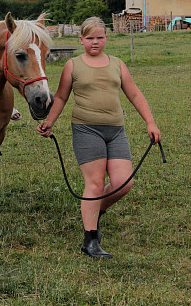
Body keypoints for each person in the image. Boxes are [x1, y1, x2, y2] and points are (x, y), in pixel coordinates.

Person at [37, 16, 161, 259]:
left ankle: (92, 212)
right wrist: (50, 121)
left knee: (123, 182)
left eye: (100, 37)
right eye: (90, 38)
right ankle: (90, 241)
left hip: (116, 130)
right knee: (94, 184)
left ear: (107, 38)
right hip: (86, 129)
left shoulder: (117, 64)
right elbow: (61, 97)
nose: (95, 42)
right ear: (81, 39)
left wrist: (150, 122)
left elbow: (134, 94)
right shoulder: (73, 65)